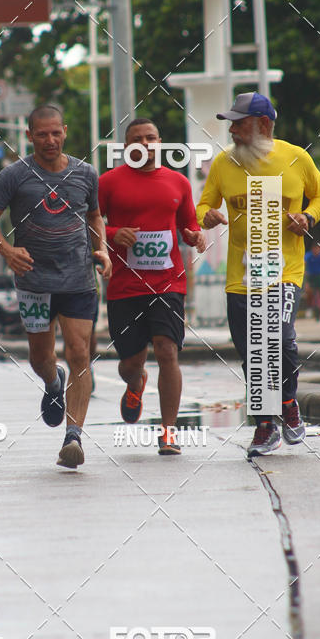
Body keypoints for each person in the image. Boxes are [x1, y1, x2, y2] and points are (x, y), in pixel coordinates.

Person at [196, 92, 320, 457]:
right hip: (241, 275)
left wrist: (308, 217)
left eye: (240, 124)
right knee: (251, 350)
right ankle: (265, 425)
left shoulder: (296, 158)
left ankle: (287, 402)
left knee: (281, 339)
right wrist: (205, 216)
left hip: (285, 269)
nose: (233, 130)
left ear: (264, 125)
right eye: (232, 124)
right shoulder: (224, 164)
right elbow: (204, 204)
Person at [0, 104, 112, 469]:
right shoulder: (14, 176)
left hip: (78, 279)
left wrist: (101, 248)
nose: (50, 140)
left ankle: (74, 437)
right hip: (34, 282)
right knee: (41, 358)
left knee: (80, 352)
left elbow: (94, 215)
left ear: (65, 131)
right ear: (29, 136)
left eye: (56, 133)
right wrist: (6, 250)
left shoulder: (86, 173)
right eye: (42, 134)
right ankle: (54, 385)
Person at [99, 117, 206, 455]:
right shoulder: (108, 183)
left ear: (160, 142)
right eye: (136, 140)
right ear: (125, 146)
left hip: (167, 282)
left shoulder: (178, 182)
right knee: (131, 362)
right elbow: (88, 225)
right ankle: (135, 382)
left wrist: (194, 234)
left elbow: (188, 222)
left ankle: (168, 432)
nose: (145, 145)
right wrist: (114, 234)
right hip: (125, 286)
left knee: (167, 351)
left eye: (151, 138)